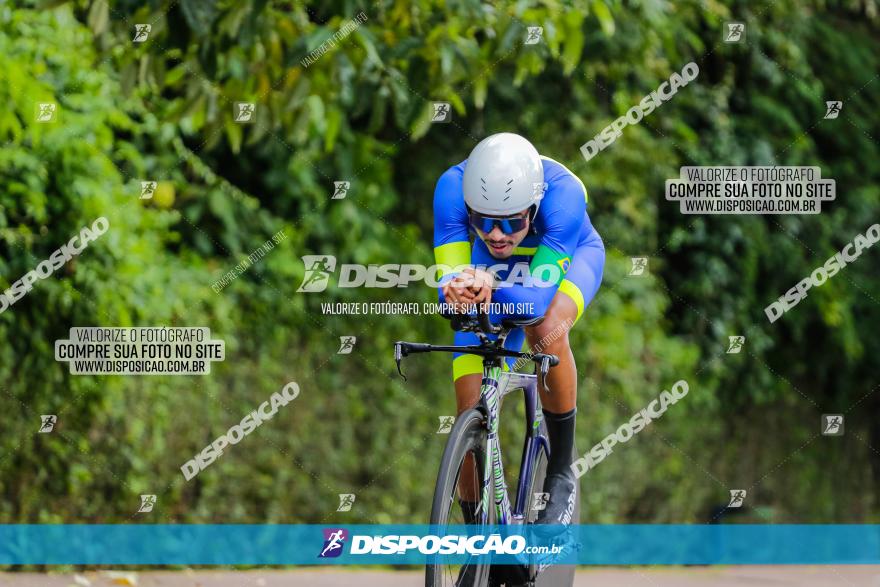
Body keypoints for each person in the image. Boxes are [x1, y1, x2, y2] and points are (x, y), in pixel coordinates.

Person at [433, 132, 605, 528]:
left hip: (566, 264)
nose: (496, 234)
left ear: (534, 206)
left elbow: (532, 304)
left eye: (511, 221)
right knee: (467, 402)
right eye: (482, 220)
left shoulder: (564, 196)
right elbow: (449, 298)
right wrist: (458, 292)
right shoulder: (450, 190)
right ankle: (479, 538)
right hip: (490, 275)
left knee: (544, 328)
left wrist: (488, 285)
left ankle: (561, 471)